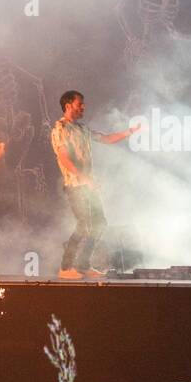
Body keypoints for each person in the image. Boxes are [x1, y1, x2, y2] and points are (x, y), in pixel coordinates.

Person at [49, 90, 141, 280]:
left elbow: (106, 138)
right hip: (75, 186)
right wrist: (83, 178)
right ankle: (65, 267)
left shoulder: (82, 129)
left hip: (88, 187)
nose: (83, 107)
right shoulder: (60, 129)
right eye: (79, 104)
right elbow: (64, 158)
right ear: (68, 106)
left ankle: (82, 265)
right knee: (84, 224)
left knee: (99, 224)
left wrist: (129, 132)